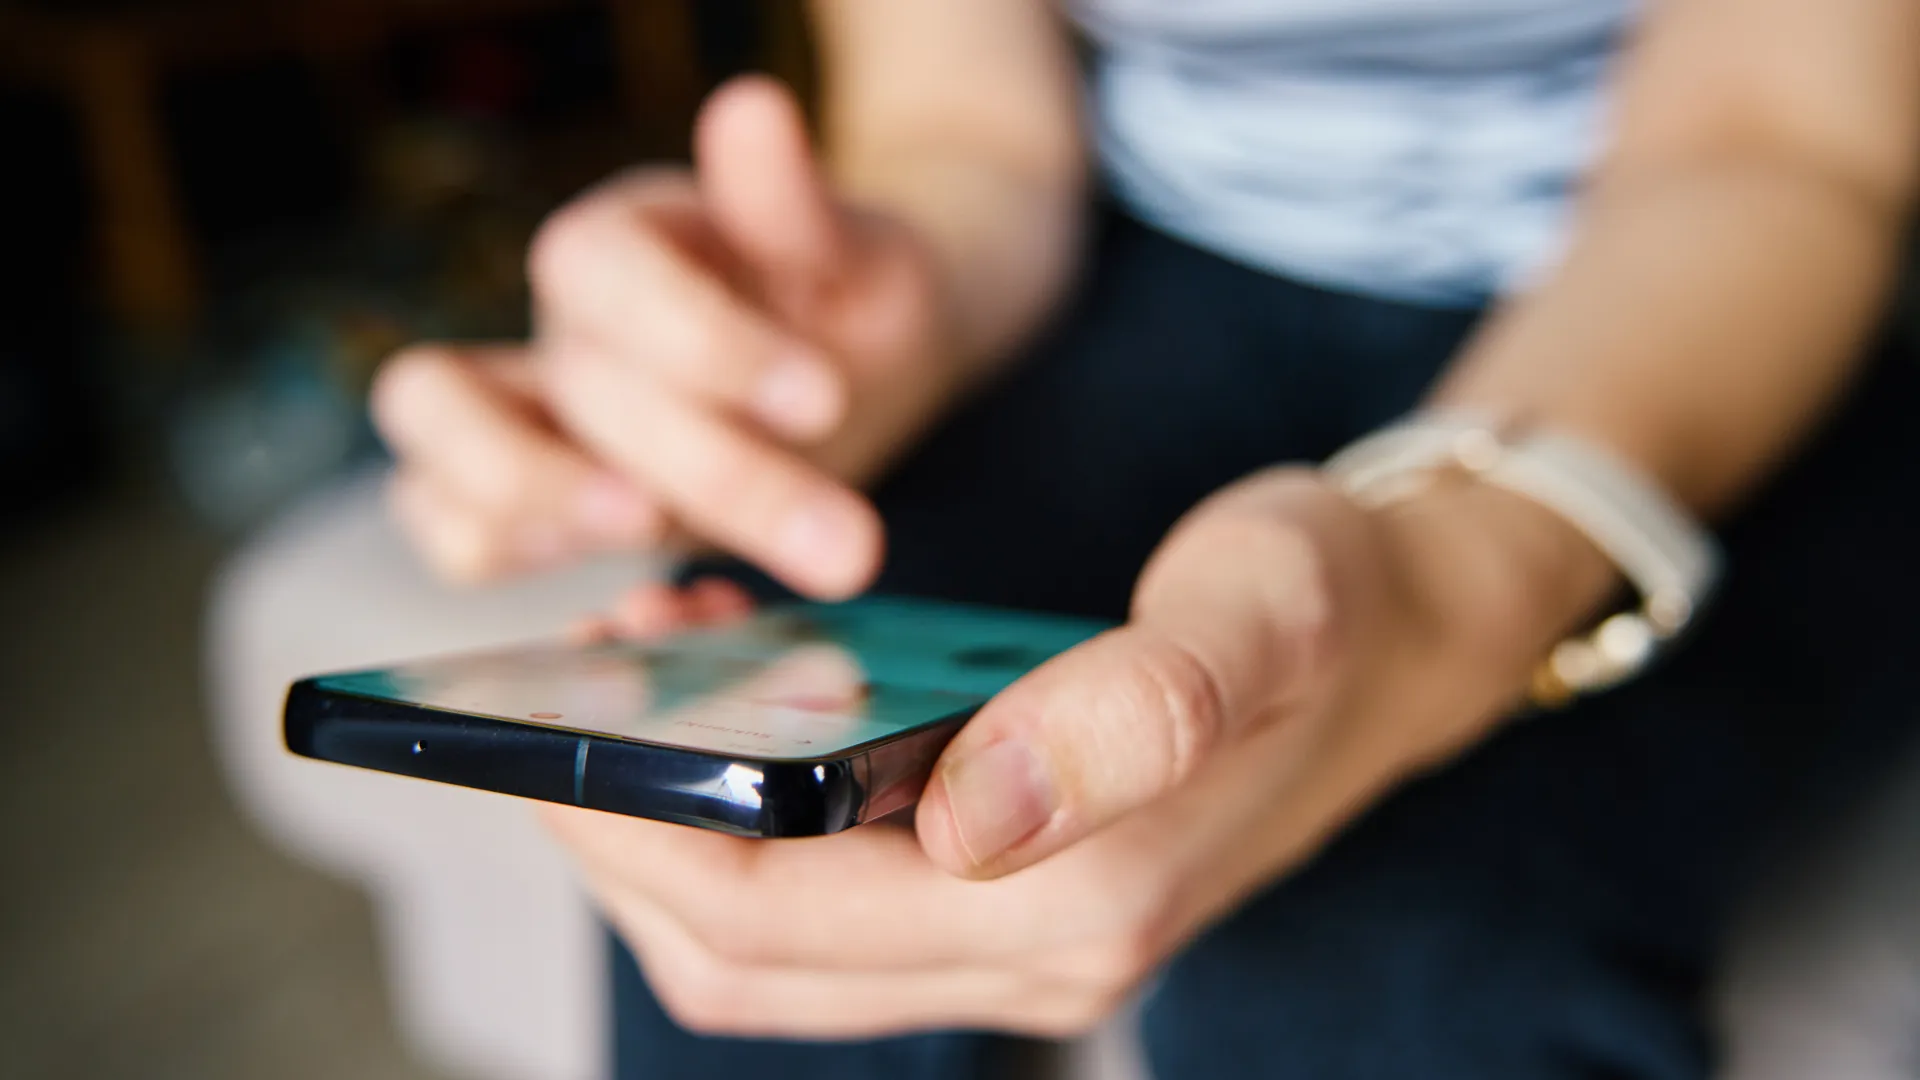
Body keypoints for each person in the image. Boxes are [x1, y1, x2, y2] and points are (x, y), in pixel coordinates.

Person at [367, 1, 1920, 1077]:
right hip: (1160, 249)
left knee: (1400, 975)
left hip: (1738, 288)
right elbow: (966, 125)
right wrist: (845, 323)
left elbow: (1776, 144)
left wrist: (1458, 574)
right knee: (742, 779)